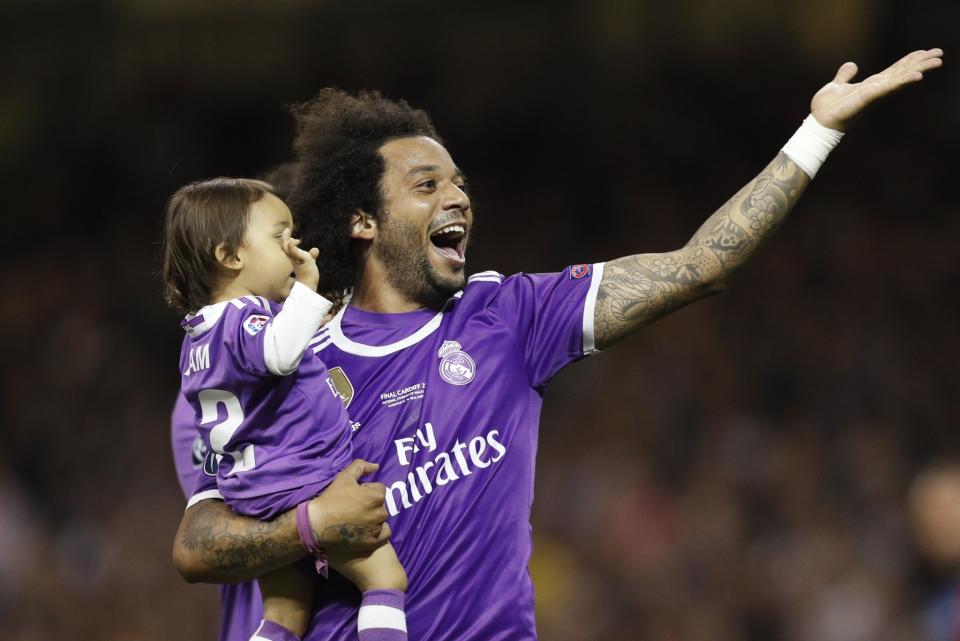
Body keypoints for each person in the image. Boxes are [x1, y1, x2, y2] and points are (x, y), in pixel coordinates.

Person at [171, 49, 943, 641]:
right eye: (427, 184)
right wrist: (309, 530)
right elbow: (199, 544)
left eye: (460, 182)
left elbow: (700, 265)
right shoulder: (284, 361)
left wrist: (819, 130)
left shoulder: (508, 316)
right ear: (362, 220)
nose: (459, 197)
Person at [162, 178, 408, 641]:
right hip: (302, 484)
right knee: (385, 579)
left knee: (282, 613)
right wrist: (309, 292)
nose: (296, 249)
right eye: (280, 237)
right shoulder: (247, 317)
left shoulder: (193, 339)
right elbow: (279, 352)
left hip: (250, 496)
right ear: (231, 256)